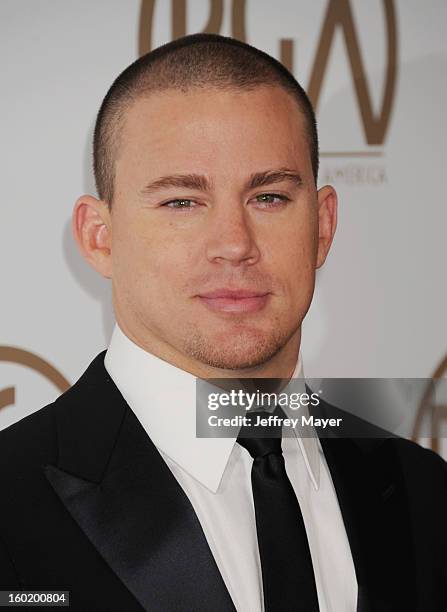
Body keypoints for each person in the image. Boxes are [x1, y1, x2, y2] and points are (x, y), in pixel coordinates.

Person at [0, 33, 445, 612]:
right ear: (98, 238)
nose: (234, 245)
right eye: (182, 202)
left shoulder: (426, 493)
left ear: (323, 226)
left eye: (270, 197)